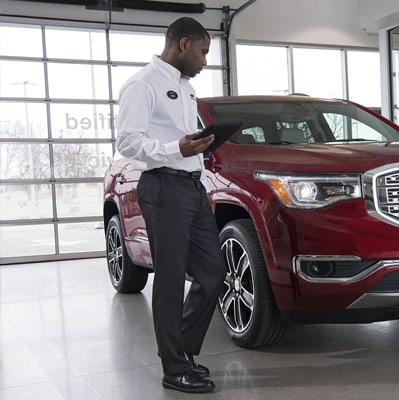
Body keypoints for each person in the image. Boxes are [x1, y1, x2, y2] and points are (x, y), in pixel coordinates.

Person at [116, 17, 226, 394]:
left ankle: (184, 352)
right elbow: (128, 142)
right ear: (183, 44)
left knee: (213, 272)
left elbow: (182, 142)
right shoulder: (143, 84)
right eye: (203, 52)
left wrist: (197, 153)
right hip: (162, 188)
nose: (205, 62)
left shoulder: (185, 88)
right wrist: (174, 149)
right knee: (170, 278)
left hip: (192, 188)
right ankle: (173, 368)